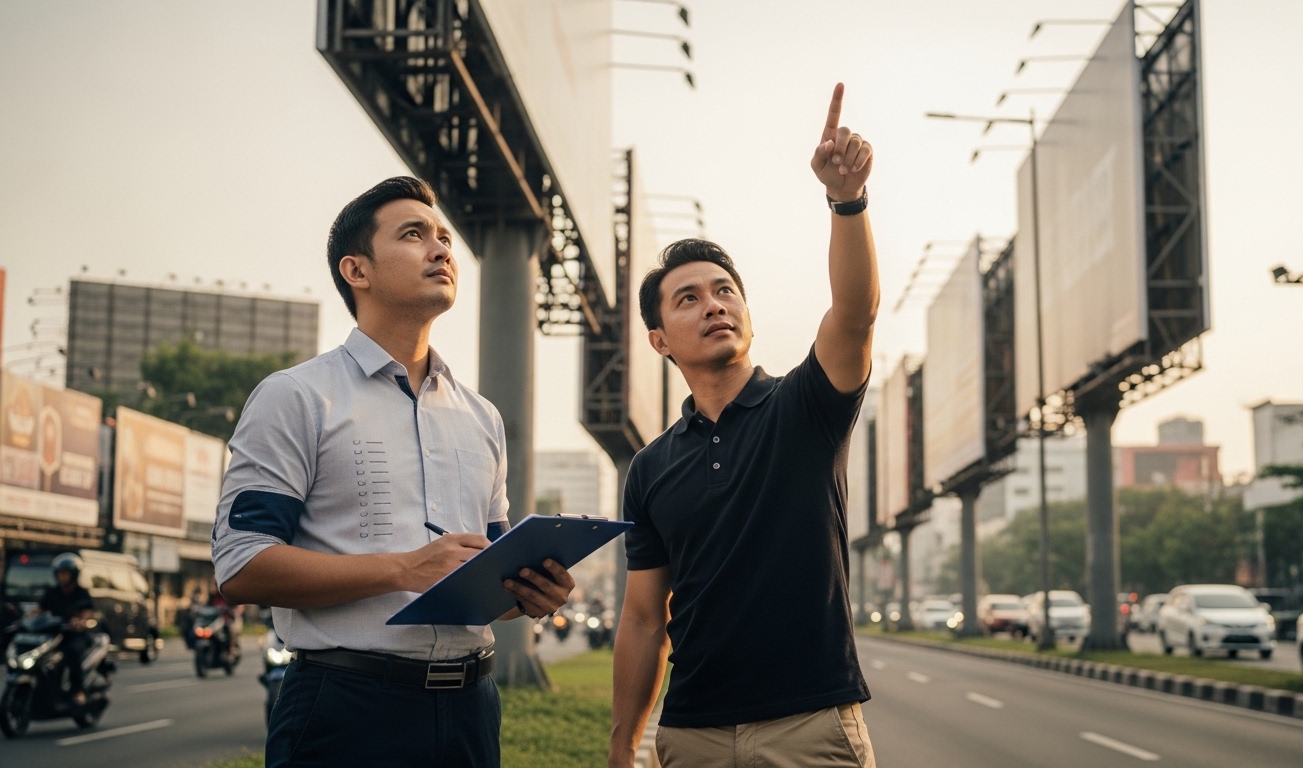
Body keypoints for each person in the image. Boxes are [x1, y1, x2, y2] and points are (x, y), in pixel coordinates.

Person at [213, 176, 575, 767]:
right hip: (345, 709)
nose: (441, 250)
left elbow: (490, 585)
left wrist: (534, 593)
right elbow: (241, 566)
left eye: (444, 238)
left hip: (471, 712)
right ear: (357, 271)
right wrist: (404, 568)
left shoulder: (482, 417)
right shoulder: (296, 397)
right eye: (414, 235)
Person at [609, 84, 879, 768]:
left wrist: (846, 200)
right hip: (691, 733)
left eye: (725, 290)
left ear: (748, 314)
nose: (713, 305)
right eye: (688, 298)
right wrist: (622, 746)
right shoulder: (650, 468)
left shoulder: (807, 407)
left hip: (810, 728)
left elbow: (854, 313)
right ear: (659, 340)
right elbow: (644, 618)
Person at [39, 553, 95, 707]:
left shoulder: (81, 593)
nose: (61, 577)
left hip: (75, 636)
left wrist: (80, 621)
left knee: (71, 653)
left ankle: (78, 691)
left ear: (74, 575)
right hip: (55, 635)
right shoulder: (52, 592)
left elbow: (87, 612)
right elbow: (39, 610)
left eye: (65, 573)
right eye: (59, 573)